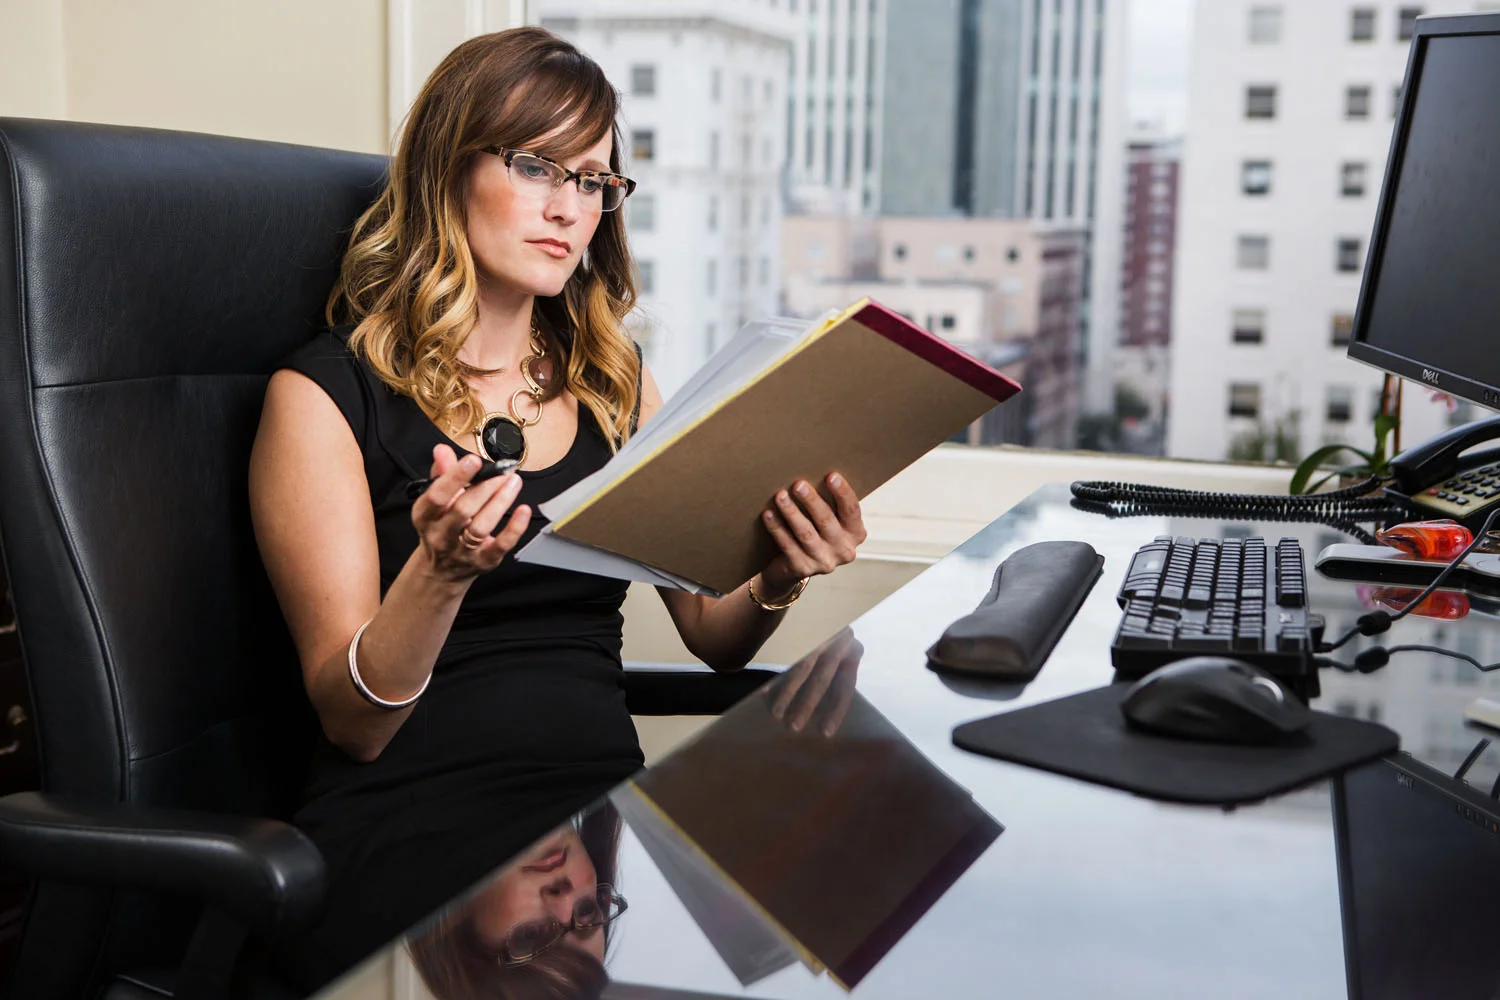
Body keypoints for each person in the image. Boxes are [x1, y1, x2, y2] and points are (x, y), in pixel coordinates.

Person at [247, 26, 867, 989]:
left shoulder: (615, 386)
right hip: (414, 830)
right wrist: (440, 574)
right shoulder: (327, 397)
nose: (569, 208)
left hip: (600, 818)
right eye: (539, 167)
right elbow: (353, 724)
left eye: (593, 182)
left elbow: (712, 632)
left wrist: (778, 575)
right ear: (450, 167)